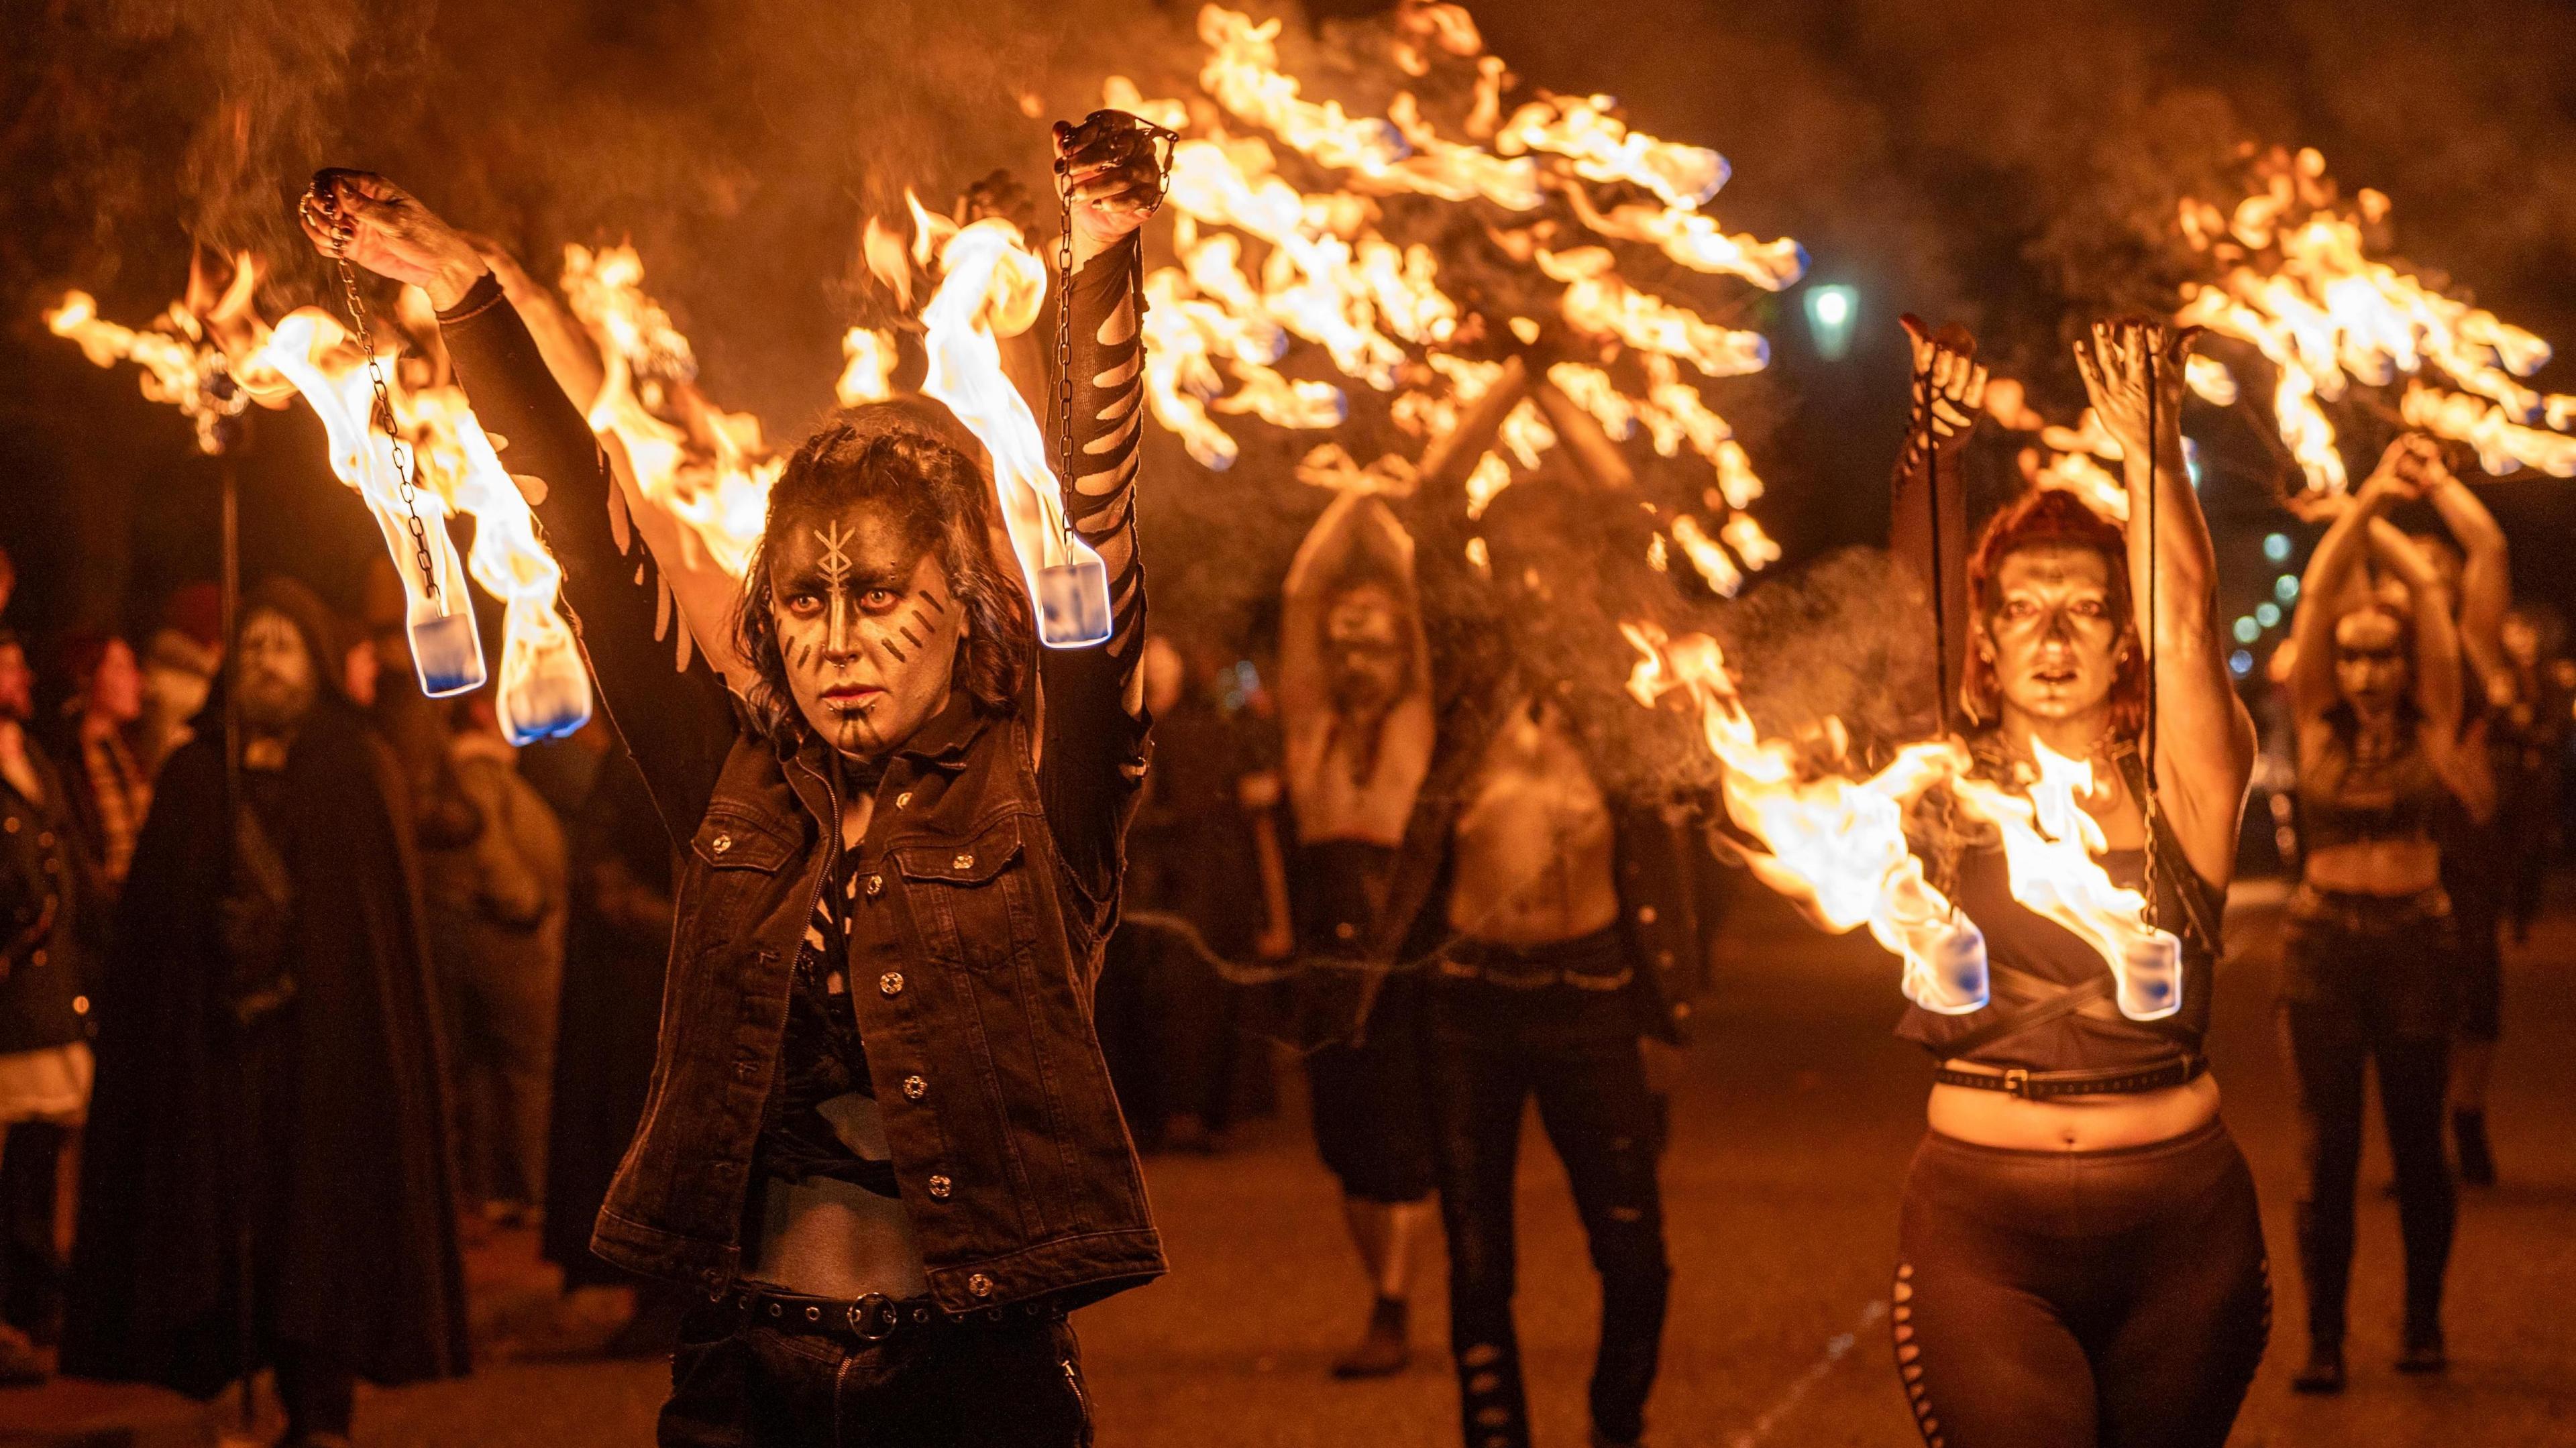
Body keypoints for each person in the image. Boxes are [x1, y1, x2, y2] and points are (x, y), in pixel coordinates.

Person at [302, 110, 1168, 1445]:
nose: (835, 637)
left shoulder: (1044, 795)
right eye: (804, 599)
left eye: (879, 595)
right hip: (739, 1383)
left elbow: (1097, 529)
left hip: (966, 1393)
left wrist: (1102, 255)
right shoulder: (735, 787)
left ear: (961, 605)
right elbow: (587, 538)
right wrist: (460, 294)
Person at [1886, 320, 2264, 1448]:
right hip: (1981, 1229)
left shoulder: (2187, 783)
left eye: (2087, 606)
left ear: (2121, 640)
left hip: (2184, 1227)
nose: (2053, 632)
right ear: (1988, 640)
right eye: (2021, 606)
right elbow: (1909, 629)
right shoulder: (1939, 790)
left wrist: (2155, 451)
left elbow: (2191, 620)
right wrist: (1935, 448)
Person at [1385, 356, 1712, 1448]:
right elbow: (1429, 507)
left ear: (1582, 566)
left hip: (1591, 992)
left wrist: (1550, 389)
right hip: (1467, 1001)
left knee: (1634, 1248)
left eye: (1547, 558)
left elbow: (1631, 510)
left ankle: (1616, 1423)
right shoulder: (1470, 658)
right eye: (1508, 559)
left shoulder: (1616, 673)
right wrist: (1498, 395)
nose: (1527, 579)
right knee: (1477, 1255)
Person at [63, 579, 468, 1447]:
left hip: (325, 1059)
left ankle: (319, 1406)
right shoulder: (194, 773)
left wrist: (293, 936)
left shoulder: (358, 766)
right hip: (218, 1052)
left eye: (284, 644)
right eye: (252, 645)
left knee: (318, 1226)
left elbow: (371, 938)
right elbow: (156, 933)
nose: (266, 660)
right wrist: (213, 934)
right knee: (225, 1223)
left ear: (315, 662)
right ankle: (230, 1374)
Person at [2280, 435, 2489, 1390]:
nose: (2365, 671)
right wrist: (2365, 500)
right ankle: (2325, 1335)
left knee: (2416, 1139)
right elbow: (2321, 598)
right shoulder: (2313, 708)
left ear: (2406, 662)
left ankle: (2423, 1320)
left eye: (2382, 656)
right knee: (2328, 1146)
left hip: (2414, 935)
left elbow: (2441, 618)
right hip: (2324, 938)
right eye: (2354, 656)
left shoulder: (2436, 716)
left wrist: (2405, 507)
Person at [1277, 489, 1439, 1378]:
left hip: (1403, 956)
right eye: (1344, 640)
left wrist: (1388, 525)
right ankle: (1382, 1289)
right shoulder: (1311, 726)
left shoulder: (1419, 721)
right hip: (1327, 960)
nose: (1354, 653)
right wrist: (1347, 500)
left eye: (1372, 637)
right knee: (1345, 1148)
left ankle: (1393, 1303)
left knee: (1404, 1147)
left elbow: (1418, 614)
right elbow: (1303, 600)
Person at [1094, 636, 1279, 1154]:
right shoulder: (1129, 732)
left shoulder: (1204, 734)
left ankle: (1196, 1109)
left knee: (1196, 998)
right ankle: (1153, 1110)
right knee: (1145, 997)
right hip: (1152, 885)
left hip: (1200, 887)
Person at [541, 744, 682, 1353]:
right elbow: (606, 871)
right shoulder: (635, 758)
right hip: (640, 994)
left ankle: (672, 1296)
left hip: (659, 985)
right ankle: (658, 1293)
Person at [424, 693, 568, 1226]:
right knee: (530, 1066)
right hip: (508, 939)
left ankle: (496, 1190)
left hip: (497, 936)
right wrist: (527, 904)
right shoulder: (478, 769)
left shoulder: (484, 769)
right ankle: (533, 1192)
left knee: (493, 1071)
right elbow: (491, 850)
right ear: (484, 710)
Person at [0, 632, 90, 1383]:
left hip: (50, 998)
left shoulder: (34, 759)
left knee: (38, 1159)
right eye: (6, 665)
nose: (23, 675)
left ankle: (34, 1302)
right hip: (9, 1002)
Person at [45, 632, 151, 948]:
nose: (136, 679)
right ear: (88, 677)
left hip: (137, 912)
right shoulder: (68, 763)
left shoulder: (131, 753)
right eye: (120, 668)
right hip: (103, 926)